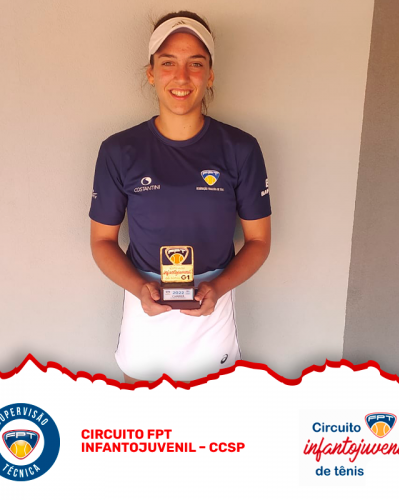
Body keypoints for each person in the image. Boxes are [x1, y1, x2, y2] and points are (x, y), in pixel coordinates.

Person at [89, 11, 272, 384]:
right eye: (168, 63)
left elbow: (259, 241)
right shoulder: (118, 150)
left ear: (210, 75)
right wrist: (140, 288)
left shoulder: (241, 149)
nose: (182, 76)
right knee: (142, 416)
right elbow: (101, 242)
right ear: (151, 73)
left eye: (196, 64)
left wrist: (217, 288)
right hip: (144, 312)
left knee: (213, 415)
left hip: (212, 314)